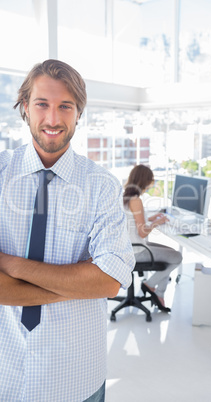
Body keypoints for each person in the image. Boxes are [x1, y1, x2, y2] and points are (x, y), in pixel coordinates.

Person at [0, 59, 135, 402]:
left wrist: (12, 266)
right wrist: (78, 283)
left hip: (74, 377)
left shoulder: (102, 187)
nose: (53, 119)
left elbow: (107, 280)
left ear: (79, 113)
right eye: (42, 104)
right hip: (5, 371)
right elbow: (98, 280)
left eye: (66, 106)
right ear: (25, 108)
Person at [123, 164, 182, 312]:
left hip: (130, 248)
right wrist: (157, 222)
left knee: (171, 251)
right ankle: (151, 286)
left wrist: (150, 218)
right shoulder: (136, 200)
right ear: (144, 181)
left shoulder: (126, 196)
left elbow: (134, 221)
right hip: (138, 251)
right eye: (151, 180)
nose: (151, 184)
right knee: (177, 257)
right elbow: (142, 232)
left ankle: (157, 293)